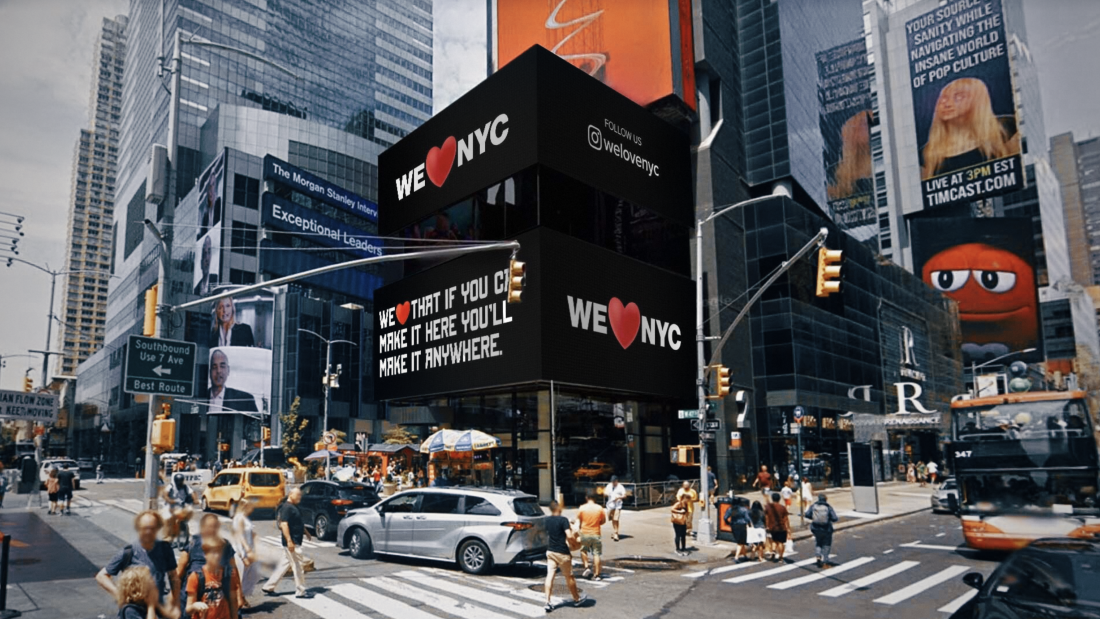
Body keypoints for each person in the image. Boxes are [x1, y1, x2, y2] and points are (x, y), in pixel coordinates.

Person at [920, 77, 1020, 180]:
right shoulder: (927, 153)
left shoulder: (1007, 127)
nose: (947, 104)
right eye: (943, 98)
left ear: (977, 100)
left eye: (959, 97)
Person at [97, 510, 180, 618]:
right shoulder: (128, 552)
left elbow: (173, 577)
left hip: (156, 609)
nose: (148, 532)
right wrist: (120, 596)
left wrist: (174, 603)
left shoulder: (165, 549)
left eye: (152, 528)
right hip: (133, 611)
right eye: (145, 528)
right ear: (138, 528)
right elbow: (101, 576)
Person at [176, 513, 237, 618]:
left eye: (214, 526)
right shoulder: (193, 542)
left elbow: (233, 570)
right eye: (209, 526)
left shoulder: (224, 544)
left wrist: (239, 596)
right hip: (194, 591)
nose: (212, 529)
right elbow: (180, 569)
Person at [261, 487, 312, 599]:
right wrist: (289, 541)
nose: (299, 497)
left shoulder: (294, 507)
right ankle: (301, 591)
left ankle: (269, 586)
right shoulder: (287, 508)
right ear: (290, 494)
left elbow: (298, 522)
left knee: (284, 565)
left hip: (294, 541)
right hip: (292, 542)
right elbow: (284, 525)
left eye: (300, 495)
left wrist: (306, 532)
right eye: (297, 495)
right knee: (298, 566)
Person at [543, 501, 587, 613]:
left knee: (550, 576)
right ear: (558, 508)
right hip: (562, 552)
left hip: (550, 551)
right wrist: (574, 543)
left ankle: (547, 602)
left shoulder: (547, 520)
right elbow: (569, 535)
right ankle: (577, 599)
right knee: (569, 577)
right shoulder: (563, 520)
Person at [185, 538, 239, 619]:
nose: (217, 556)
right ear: (205, 554)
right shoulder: (196, 576)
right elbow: (188, 609)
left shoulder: (228, 575)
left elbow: (233, 602)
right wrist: (195, 606)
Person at [231, 499, 260, 609]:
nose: (252, 508)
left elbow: (249, 534)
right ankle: (237, 604)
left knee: (248, 576)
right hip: (241, 552)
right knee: (241, 579)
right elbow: (239, 536)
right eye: (250, 506)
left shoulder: (244, 518)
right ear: (245, 506)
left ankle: (241, 599)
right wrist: (244, 553)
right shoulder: (239, 518)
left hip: (247, 551)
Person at [574, 493, 606, 580]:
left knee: (583, 551)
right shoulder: (600, 508)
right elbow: (603, 521)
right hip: (596, 533)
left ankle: (586, 567)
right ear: (595, 498)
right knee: (596, 554)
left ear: (586, 498)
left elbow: (578, 520)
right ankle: (597, 575)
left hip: (585, 533)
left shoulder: (582, 508)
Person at [805, 494, 839, 568]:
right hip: (826, 529)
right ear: (825, 499)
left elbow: (807, 514)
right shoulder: (828, 507)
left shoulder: (813, 506)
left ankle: (818, 556)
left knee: (818, 542)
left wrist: (814, 517)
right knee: (826, 545)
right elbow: (835, 518)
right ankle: (825, 561)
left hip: (815, 528)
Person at [163, 473, 196, 548]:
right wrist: (170, 500)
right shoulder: (170, 486)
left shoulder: (185, 487)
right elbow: (165, 495)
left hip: (181, 505)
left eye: (181, 482)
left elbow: (192, 493)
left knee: (188, 518)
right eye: (178, 482)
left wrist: (195, 500)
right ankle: (168, 539)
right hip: (170, 506)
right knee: (169, 520)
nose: (180, 484)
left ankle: (188, 537)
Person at [723, 498, 753, 562]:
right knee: (741, 542)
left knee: (741, 541)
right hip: (742, 526)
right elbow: (748, 519)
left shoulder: (730, 509)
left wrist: (728, 523)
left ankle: (745, 555)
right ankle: (736, 557)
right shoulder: (744, 509)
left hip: (733, 526)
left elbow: (725, 517)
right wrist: (750, 525)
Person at [765, 492, 792, 562]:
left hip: (772, 527)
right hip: (781, 527)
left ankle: (773, 551)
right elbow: (786, 519)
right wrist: (788, 529)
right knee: (780, 542)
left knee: (774, 540)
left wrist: (767, 526)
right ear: (779, 499)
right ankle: (781, 557)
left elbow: (766, 517)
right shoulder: (783, 508)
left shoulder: (768, 507)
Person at [604, 476, 627, 542]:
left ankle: (616, 533)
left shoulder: (620, 487)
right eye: (612, 482)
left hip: (617, 505)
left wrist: (619, 497)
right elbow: (605, 493)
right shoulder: (609, 486)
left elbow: (625, 495)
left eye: (614, 481)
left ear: (617, 481)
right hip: (610, 505)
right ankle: (614, 531)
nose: (613, 483)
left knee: (616, 519)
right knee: (612, 519)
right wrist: (606, 494)